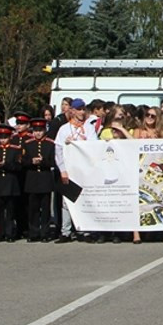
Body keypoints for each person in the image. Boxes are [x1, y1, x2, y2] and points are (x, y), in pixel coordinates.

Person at [53, 99, 93, 242]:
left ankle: (85, 230)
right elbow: (58, 151)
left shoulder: (89, 128)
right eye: (79, 109)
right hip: (69, 169)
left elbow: (94, 148)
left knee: (85, 199)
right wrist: (62, 170)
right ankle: (66, 231)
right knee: (67, 201)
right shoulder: (64, 129)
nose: (82, 112)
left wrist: (84, 141)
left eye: (83, 109)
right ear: (73, 111)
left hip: (84, 169)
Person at [21, 119, 56, 242]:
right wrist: (32, 161)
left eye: (40, 131)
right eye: (35, 131)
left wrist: (43, 161)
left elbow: (53, 162)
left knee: (45, 208)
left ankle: (45, 232)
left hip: (45, 179)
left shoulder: (50, 143)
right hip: (32, 179)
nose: (38, 133)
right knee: (33, 209)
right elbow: (23, 161)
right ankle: (33, 232)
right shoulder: (28, 143)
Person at [0, 124, 22, 242]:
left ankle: (9, 233)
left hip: (10, 184)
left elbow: (18, 167)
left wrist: (5, 164)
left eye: (5, 137)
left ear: (10, 137)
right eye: (1, 137)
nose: (3, 140)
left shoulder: (15, 149)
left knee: (10, 211)